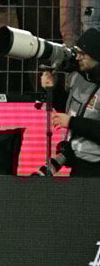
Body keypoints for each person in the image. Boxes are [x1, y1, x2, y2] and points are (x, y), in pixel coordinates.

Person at [38, 27, 100, 177]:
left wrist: (71, 122)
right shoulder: (78, 77)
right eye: (77, 52)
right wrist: (52, 89)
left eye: (83, 54)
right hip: (79, 162)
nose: (78, 57)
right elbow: (68, 108)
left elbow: (73, 120)